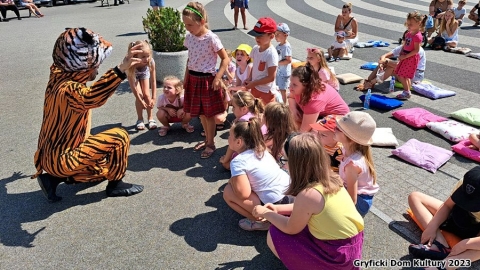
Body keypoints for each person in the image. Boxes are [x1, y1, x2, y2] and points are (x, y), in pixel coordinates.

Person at [33, 28, 145, 202]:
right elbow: (92, 98)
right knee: (120, 137)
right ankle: (116, 185)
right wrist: (120, 70)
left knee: (101, 169)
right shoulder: (69, 90)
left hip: (46, 157)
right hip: (63, 159)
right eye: (96, 64)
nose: (98, 68)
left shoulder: (57, 74)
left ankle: (53, 179)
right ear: (82, 65)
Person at [252, 133, 364, 270]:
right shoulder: (331, 178)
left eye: (284, 160)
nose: (283, 165)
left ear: (297, 165)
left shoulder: (308, 194)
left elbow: (290, 228)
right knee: (287, 220)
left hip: (336, 257)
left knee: (275, 233)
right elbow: (308, 209)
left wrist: (266, 213)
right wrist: (277, 209)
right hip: (350, 249)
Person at [223, 117, 290, 231]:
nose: (228, 138)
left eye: (230, 136)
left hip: (275, 204)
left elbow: (243, 194)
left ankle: (262, 221)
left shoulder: (238, 161)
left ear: (239, 142)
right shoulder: (262, 149)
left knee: (228, 192)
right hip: (290, 195)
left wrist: (232, 181)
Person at [182, 2, 230, 159]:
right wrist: (186, 77)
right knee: (201, 114)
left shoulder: (211, 38)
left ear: (201, 21)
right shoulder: (190, 38)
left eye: (190, 24)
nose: (187, 28)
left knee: (209, 116)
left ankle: (211, 143)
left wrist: (217, 78)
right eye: (185, 24)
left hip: (207, 80)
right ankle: (207, 139)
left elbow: (225, 59)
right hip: (193, 79)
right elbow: (190, 60)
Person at [408, 166, 480, 269]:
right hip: (458, 215)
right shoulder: (467, 182)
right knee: (414, 197)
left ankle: (447, 265)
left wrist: (465, 244)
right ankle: (439, 243)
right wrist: (432, 227)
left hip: (476, 232)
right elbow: (447, 205)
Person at [334, 112, 379, 217]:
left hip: (359, 203)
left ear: (351, 140)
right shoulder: (348, 150)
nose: (334, 129)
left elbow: (352, 200)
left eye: (338, 129)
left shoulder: (352, 166)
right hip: (359, 196)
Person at [287, 66, 349, 132]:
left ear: (307, 86)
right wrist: (293, 109)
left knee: (315, 132)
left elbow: (304, 131)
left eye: (294, 84)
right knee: (289, 115)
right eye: (291, 82)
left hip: (340, 120)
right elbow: (291, 97)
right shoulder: (298, 89)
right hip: (321, 114)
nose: (290, 87)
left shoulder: (315, 99)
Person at [219, 91, 265, 170]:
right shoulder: (256, 113)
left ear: (244, 109)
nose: (232, 110)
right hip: (262, 150)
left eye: (233, 107)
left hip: (252, 152)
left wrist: (225, 160)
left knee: (227, 165)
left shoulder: (242, 122)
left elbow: (232, 145)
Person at [355, 45, 426, 91]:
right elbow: (384, 56)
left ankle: (371, 83)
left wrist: (386, 62)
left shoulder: (417, 51)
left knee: (390, 65)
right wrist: (382, 62)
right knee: (387, 63)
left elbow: (405, 67)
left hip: (415, 76)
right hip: (404, 73)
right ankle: (369, 81)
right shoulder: (403, 46)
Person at [244, 17, 279, 105]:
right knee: (255, 111)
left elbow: (271, 77)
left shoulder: (271, 54)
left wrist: (254, 83)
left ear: (271, 36)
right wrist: (250, 78)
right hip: (255, 87)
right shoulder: (256, 49)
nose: (257, 38)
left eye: (260, 36)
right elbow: (255, 66)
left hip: (266, 91)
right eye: (255, 35)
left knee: (265, 115)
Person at [395, 11, 427, 100]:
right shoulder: (409, 33)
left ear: (419, 23)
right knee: (403, 75)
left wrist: (405, 56)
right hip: (405, 55)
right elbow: (405, 45)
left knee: (402, 75)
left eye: (411, 24)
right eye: (407, 24)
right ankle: (407, 90)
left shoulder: (417, 36)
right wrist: (401, 53)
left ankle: (407, 92)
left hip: (411, 58)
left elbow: (416, 50)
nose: (408, 26)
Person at [127, 40, 157, 131]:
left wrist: (154, 97)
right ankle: (140, 119)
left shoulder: (150, 62)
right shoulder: (130, 64)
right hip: (134, 74)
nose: (146, 58)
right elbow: (133, 86)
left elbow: (153, 80)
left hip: (144, 72)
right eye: (143, 57)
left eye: (148, 56)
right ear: (136, 56)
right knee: (139, 95)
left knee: (147, 95)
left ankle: (150, 118)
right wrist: (140, 100)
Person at [263, 102, 297, 171]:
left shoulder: (267, 139)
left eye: (264, 115)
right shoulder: (292, 138)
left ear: (269, 120)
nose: (261, 117)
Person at [275, 23, 292, 104]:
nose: (276, 36)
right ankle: (279, 103)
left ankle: (284, 105)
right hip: (279, 72)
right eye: (275, 34)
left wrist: (277, 63)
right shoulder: (279, 46)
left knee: (282, 90)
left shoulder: (286, 46)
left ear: (285, 35)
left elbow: (288, 60)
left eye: (278, 34)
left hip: (284, 73)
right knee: (278, 88)